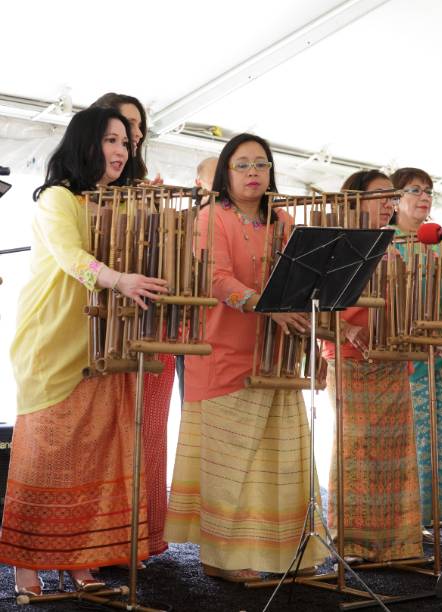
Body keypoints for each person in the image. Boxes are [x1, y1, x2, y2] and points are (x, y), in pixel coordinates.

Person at [0, 106, 169, 595]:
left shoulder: (114, 201)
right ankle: (25, 567)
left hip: (102, 341)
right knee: (44, 453)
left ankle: (78, 562)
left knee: (90, 454)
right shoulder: (57, 198)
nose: (121, 151)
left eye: (125, 143)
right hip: (53, 339)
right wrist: (120, 280)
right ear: (85, 144)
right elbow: (73, 258)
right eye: (111, 141)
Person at [164, 133, 325, 581]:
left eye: (261, 164)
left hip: (277, 354)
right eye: (242, 165)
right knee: (233, 462)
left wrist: (309, 336)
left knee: (282, 458)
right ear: (225, 174)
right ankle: (221, 560)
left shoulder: (284, 222)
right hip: (221, 351)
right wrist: (265, 305)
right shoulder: (210, 217)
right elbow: (213, 277)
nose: (253, 173)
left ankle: (287, 555)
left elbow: (301, 281)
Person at [321, 169, 423, 563]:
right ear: (354, 199)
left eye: (391, 197)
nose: (388, 203)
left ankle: (397, 542)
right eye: (380, 195)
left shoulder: (393, 246)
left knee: (395, 450)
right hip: (348, 362)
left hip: (390, 361)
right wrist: (345, 330)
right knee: (356, 450)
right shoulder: (337, 243)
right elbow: (316, 306)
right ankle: (349, 541)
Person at [91, 92, 173, 559]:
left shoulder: (146, 187)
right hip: (104, 326)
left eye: (138, 129)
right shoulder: (79, 190)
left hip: (152, 322)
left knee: (149, 432)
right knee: (108, 433)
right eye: (122, 129)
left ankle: (142, 537)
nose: (133, 137)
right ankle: (103, 539)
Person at [389, 167, 442, 531]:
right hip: (401, 360)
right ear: (394, 199)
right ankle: (404, 520)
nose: (424, 197)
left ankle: (437, 521)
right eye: (414, 190)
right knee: (409, 442)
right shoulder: (384, 242)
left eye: (428, 191)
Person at [174, 156, 220, 404]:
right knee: (193, 411)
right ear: (199, 183)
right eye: (216, 180)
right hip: (191, 332)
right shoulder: (182, 221)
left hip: (229, 330)